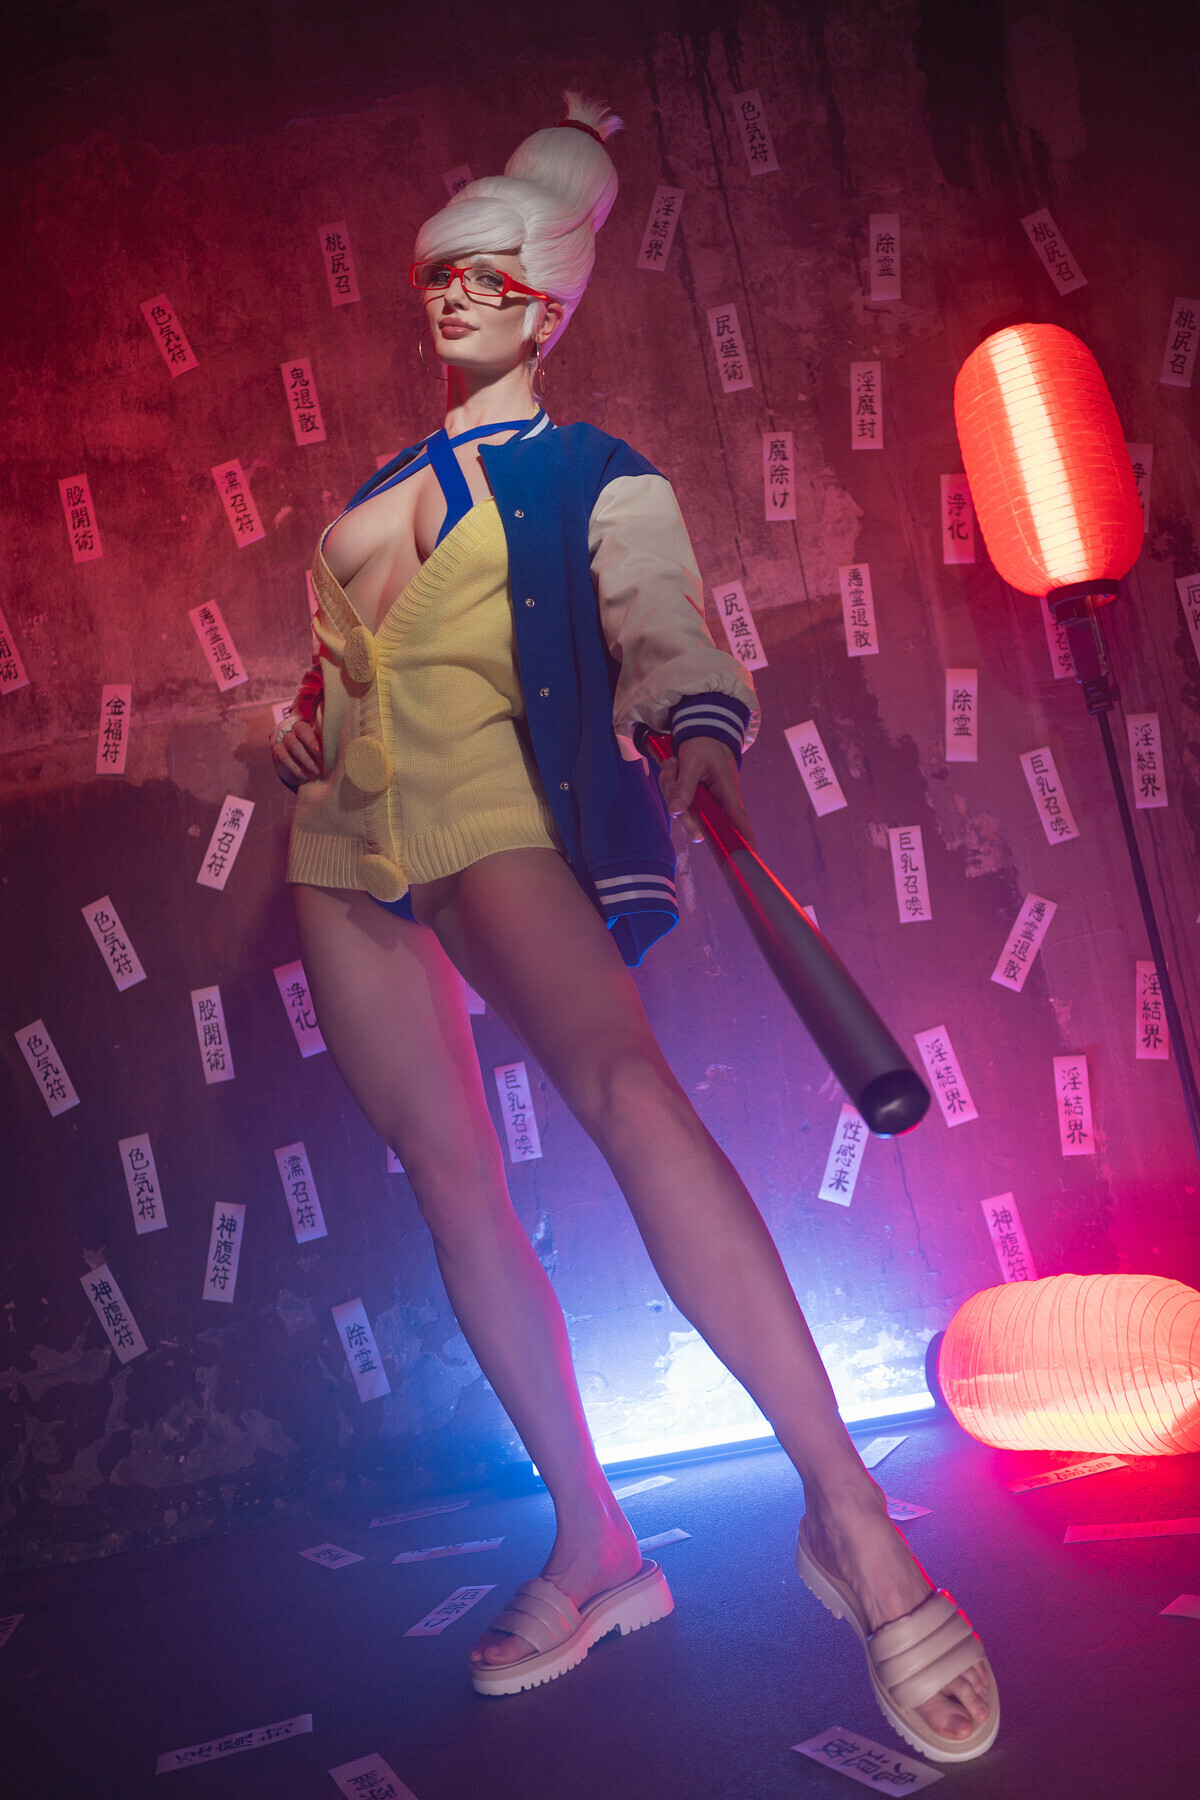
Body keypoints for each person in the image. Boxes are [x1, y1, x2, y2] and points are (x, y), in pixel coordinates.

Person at [271, 92, 998, 1761]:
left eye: (485, 275)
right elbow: (343, 673)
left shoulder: (594, 473)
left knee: (626, 1089)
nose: (451, 297)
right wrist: (302, 727)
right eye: (438, 272)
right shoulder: (374, 492)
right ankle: (593, 1541)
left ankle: (850, 1518)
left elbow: (662, 628)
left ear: (547, 303)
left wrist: (695, 722)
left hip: (493, 808)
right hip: (347, 844)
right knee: (450, 1179)